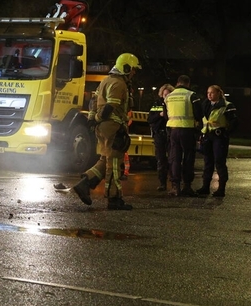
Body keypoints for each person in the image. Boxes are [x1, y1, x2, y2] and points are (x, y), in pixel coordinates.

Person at [71, 53, 140, 210]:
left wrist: (92, 119)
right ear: (126, 67)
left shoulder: (105, 81)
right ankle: (114, 198)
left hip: (104, 127)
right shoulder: (119, 84)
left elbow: (94, 102)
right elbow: (110, 106)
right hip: (112, 127)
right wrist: (99, 118)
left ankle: (85, 183)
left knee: (105, 159)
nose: (134, 73)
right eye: (133, 69)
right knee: (115, 163)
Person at [165, 74, 204, 196]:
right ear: (188, 83)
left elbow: (166, 114)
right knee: (188, 158)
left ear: (177, 83)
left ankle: (175, 187)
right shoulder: (191, 95)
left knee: (175, 159)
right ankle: (187, 186)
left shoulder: (169, 96)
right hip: (187, 130)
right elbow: (199, 113)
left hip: (173, 130)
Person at [196, 85, 238, 197]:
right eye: (208, 92)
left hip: (219, 137)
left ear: (219, 93)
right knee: (207, 162)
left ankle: (221, 189)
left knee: (219, 162)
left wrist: (226, 133)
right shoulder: (205, 104)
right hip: (207, 136)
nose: (209, 95)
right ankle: (205, 187)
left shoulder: (227, 105)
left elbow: (234, 122)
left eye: (212, 93)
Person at [147, 83, 174, 190]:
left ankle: (174, 183)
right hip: (160, 134)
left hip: (171, 134)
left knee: (173, 160)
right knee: (161, 160)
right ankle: (162, 183)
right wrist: (160, 115)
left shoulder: (173, 104)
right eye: (164, 94)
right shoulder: (156, 104)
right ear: (161, 94)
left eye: (168, 94)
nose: (166, 96)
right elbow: (150, 119)